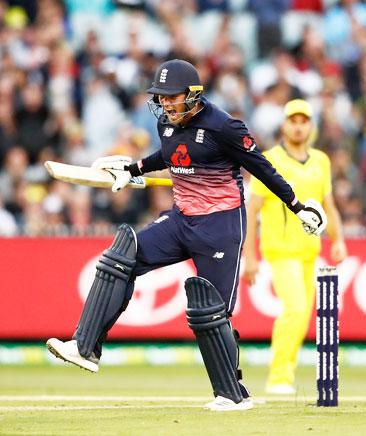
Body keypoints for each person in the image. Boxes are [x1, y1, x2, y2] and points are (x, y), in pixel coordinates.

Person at [46, 59, 328, 412]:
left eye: (171, 97)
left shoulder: (225, 126)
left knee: (211, 311)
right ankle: (85, 347)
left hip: (220, 227)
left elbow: (263, 169)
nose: (165, 104)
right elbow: (168, 155)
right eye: (160, 98)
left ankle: (232, 393)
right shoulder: (166, 121)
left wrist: (298, 206)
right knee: (121, 256)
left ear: (193, 95)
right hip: (181, 220)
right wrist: (132, 169)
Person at [243, 99, 347, 395]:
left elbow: (329, 205)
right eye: (293, 121)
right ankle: (278, 378)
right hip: (279, 250)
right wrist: (250, 257)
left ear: (311, 126)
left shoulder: (321, 161)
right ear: (284, 125)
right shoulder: (270, 159)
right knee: (296, 308)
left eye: (304, 121)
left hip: (308, 252)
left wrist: (338, 240)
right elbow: (253, 210)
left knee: (302, 315)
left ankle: (284, 375)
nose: (298, 126)